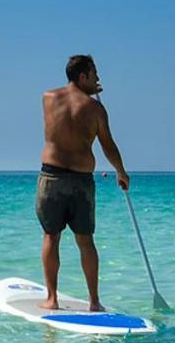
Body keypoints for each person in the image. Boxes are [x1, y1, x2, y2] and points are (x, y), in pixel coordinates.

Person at [35, 54, 130, 311]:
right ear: (83, 75)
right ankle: (94, 302)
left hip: (51, 178)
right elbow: (107, 145)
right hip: (80, 182)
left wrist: (87, 91)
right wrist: (121, 172)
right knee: (85, 241)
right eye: (95, 74)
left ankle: (52, 299)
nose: (99, 79)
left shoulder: (48, 98)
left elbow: (67, 113)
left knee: (50, 237)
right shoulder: (96, 109)